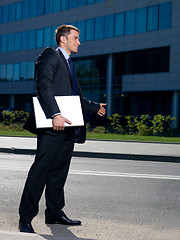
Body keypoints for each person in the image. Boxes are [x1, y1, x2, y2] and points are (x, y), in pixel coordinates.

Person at [18, 25, 106, 233]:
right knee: (40, 171)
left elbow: (75, 98)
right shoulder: (50, 55)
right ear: (62, 40)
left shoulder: (68, 63)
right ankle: (25, 218)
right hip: (53, 125)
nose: (79, 42)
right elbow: (44, 86)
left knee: (59, 172)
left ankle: (55, 213)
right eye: (75, 38)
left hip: (68, 126)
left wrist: (95, 107)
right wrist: (54, 114)